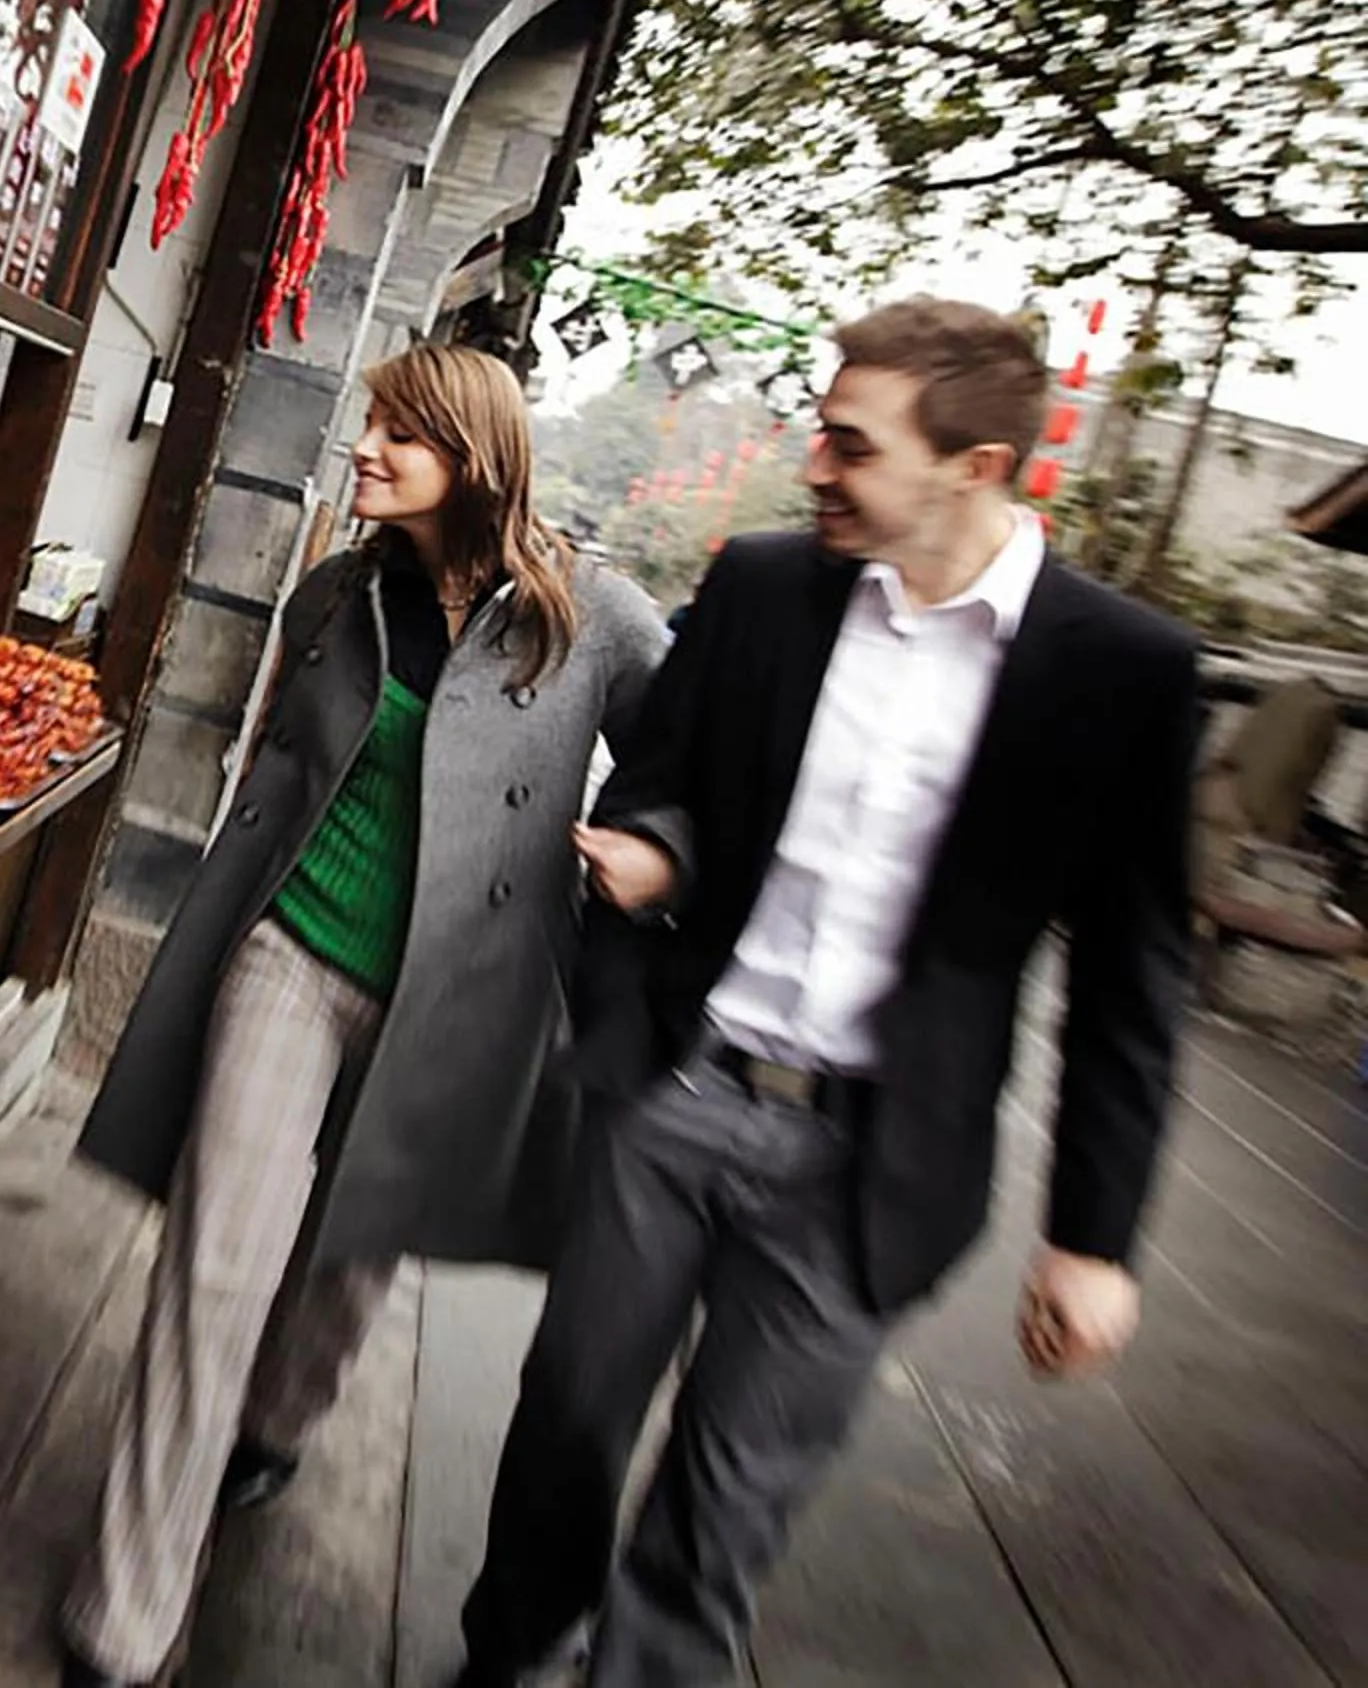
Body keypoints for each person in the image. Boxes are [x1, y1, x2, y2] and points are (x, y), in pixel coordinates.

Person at [456, 298, 1201, 1688]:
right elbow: (662, 771)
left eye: (852, 444)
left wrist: (1093, 1237)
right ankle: (507, 1656)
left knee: (725, 1499)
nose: (815, 463)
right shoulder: (760, 587)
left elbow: (1134, 971)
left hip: (874, 1161)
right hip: (678, 1088)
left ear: (972, 467)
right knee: (566, 1414)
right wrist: (656, 854)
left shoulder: (1123, 673)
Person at [63, 344, 672, 1688]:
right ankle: (124, 1615)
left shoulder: (592, 616)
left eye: (403, 428)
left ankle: (278, 1423)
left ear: (476, 454)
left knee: (355, 1252)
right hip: (291, 952)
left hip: (460, 1000)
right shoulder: (339, 594)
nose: (368, 442)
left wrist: (657, 848)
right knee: (215, 1269)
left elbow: (694, 757)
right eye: (373, 418)